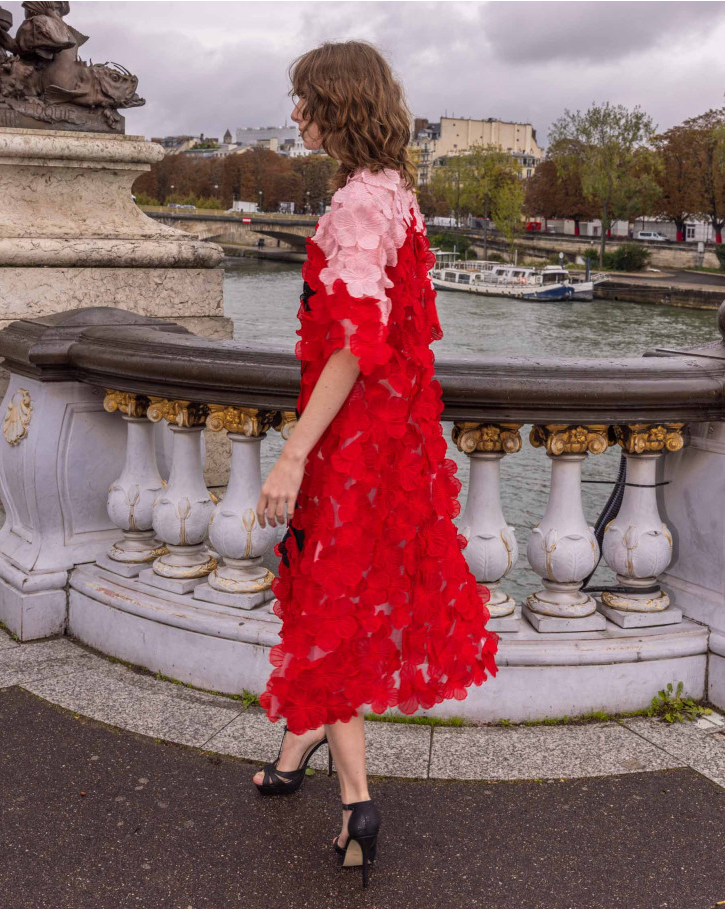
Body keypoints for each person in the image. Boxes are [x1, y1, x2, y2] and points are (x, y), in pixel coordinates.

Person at [253, 39, 499, 889]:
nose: (295, 116)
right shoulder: (398, 191)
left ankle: (357, 800)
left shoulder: (360, 203)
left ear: (339, 103)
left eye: (305, 101)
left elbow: (355, 340)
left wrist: (293, 451)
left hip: (350, 437)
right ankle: (299, 742)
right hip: (392, 434)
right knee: (338, 587)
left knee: (328, 603)